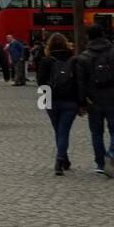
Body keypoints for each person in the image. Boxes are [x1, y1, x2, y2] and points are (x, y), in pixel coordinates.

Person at [77, 23, 114, 178]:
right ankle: (112, 155)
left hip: (93, 101)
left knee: (96, 133)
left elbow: (80, 83)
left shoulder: (84, 57)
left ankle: (100, 163)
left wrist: (81, 103)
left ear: (88, 37)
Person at [36, 32, 83, 176]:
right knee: (64, 131)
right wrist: (82, 103)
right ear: (66, 43)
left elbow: (40, 82)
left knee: (58, 130)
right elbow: (79, 83)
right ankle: (62, 159)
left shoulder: (47, 60)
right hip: (70, 100)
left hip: (51, 99)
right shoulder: (74, 60)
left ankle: (62, 158)